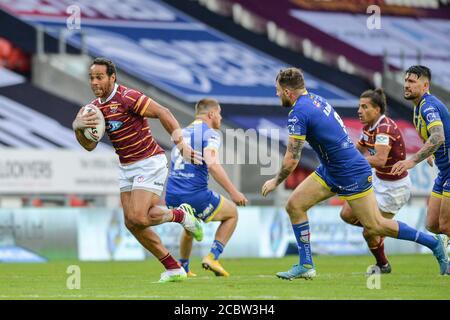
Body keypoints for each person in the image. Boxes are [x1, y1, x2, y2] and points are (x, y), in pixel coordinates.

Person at [261, 67, 448, 280]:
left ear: (287, 91)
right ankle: (306, 264)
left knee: (375, 225)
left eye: (277, 90)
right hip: (331, 169)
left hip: (350, 172)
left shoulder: (298, 112)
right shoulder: (316, 99)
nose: (276, 95)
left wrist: (276, 180)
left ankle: (433, 243)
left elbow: (292, 158)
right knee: (295, 205)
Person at [72, 57, 204, 283]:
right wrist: (78, 128)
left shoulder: (127, 97)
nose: (94, 82)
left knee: (139, 217)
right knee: (132, 223)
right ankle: (173, 268)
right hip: (126, 167)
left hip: (149, 161)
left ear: (112, 77)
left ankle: (182, 215)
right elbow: (90, 146)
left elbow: (164, 112)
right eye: (91, 78)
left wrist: (182, 145)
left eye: (100, 77)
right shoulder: (92, 110)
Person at [165, 98, 248, 277]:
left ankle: (184, 268)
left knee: (189, 227)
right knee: (232, 213)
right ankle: (212, 257)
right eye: (219, 114)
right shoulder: (210, 134)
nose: (220, 118)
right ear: (211, 114)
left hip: (171, 195)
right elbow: (212, 164)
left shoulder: (182, 133)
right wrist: (233, 192)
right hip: (194, 195)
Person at [340, 88, 411, 274]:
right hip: (378, 180)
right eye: (359, 107)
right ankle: (381, 230)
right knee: (347, 214)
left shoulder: (384, 128)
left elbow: (379, 159)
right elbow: (357, 151)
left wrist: (352, 162)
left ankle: (383, 264)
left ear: (377, 109)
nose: (359, 111)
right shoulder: (368, 128)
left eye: (364, 107)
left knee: (369, 231)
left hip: (394, 188)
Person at [391, 65, 450, 274]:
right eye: (406, 80)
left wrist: (412, 161)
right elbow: (432, 136)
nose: (406, 85)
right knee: (432, 224)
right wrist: (432, 152)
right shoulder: (418, 107)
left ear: (425, 85)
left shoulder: (428, 106)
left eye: (412, 81)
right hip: (444, 170)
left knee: (445, 224)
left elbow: (438, 136)